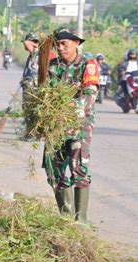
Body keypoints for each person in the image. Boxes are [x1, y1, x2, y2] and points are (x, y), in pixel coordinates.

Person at [44, 27, 100, 224]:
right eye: (57, 44)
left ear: (76, 43)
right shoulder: (51, 65)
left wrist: (67, 108)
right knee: (52, 169)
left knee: (79, 169)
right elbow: (45, 94)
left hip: (79, 125)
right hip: (56, 127)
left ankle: (81, 221)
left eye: (64, 44)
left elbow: (89, 95)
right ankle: (65, 218)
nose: (60, 48)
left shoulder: (88, 64)